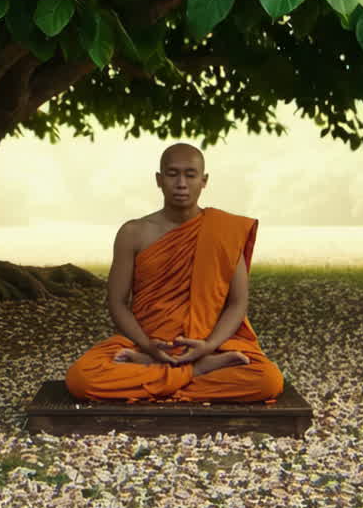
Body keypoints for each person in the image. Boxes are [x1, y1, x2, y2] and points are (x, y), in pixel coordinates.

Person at [65, 142, 284, 403]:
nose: (181, 183)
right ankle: (196, 372)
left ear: (204, 181)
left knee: (267, 380)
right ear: (159, 180)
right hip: (146, 342)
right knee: (82, 379)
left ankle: (157, 375)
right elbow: (116, 301)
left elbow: (238, 302)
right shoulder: (133, 233)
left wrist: (209, 346)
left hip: (209, 344)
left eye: (190, 175)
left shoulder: (224, 231)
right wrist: (147, 346)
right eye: (172, 174)